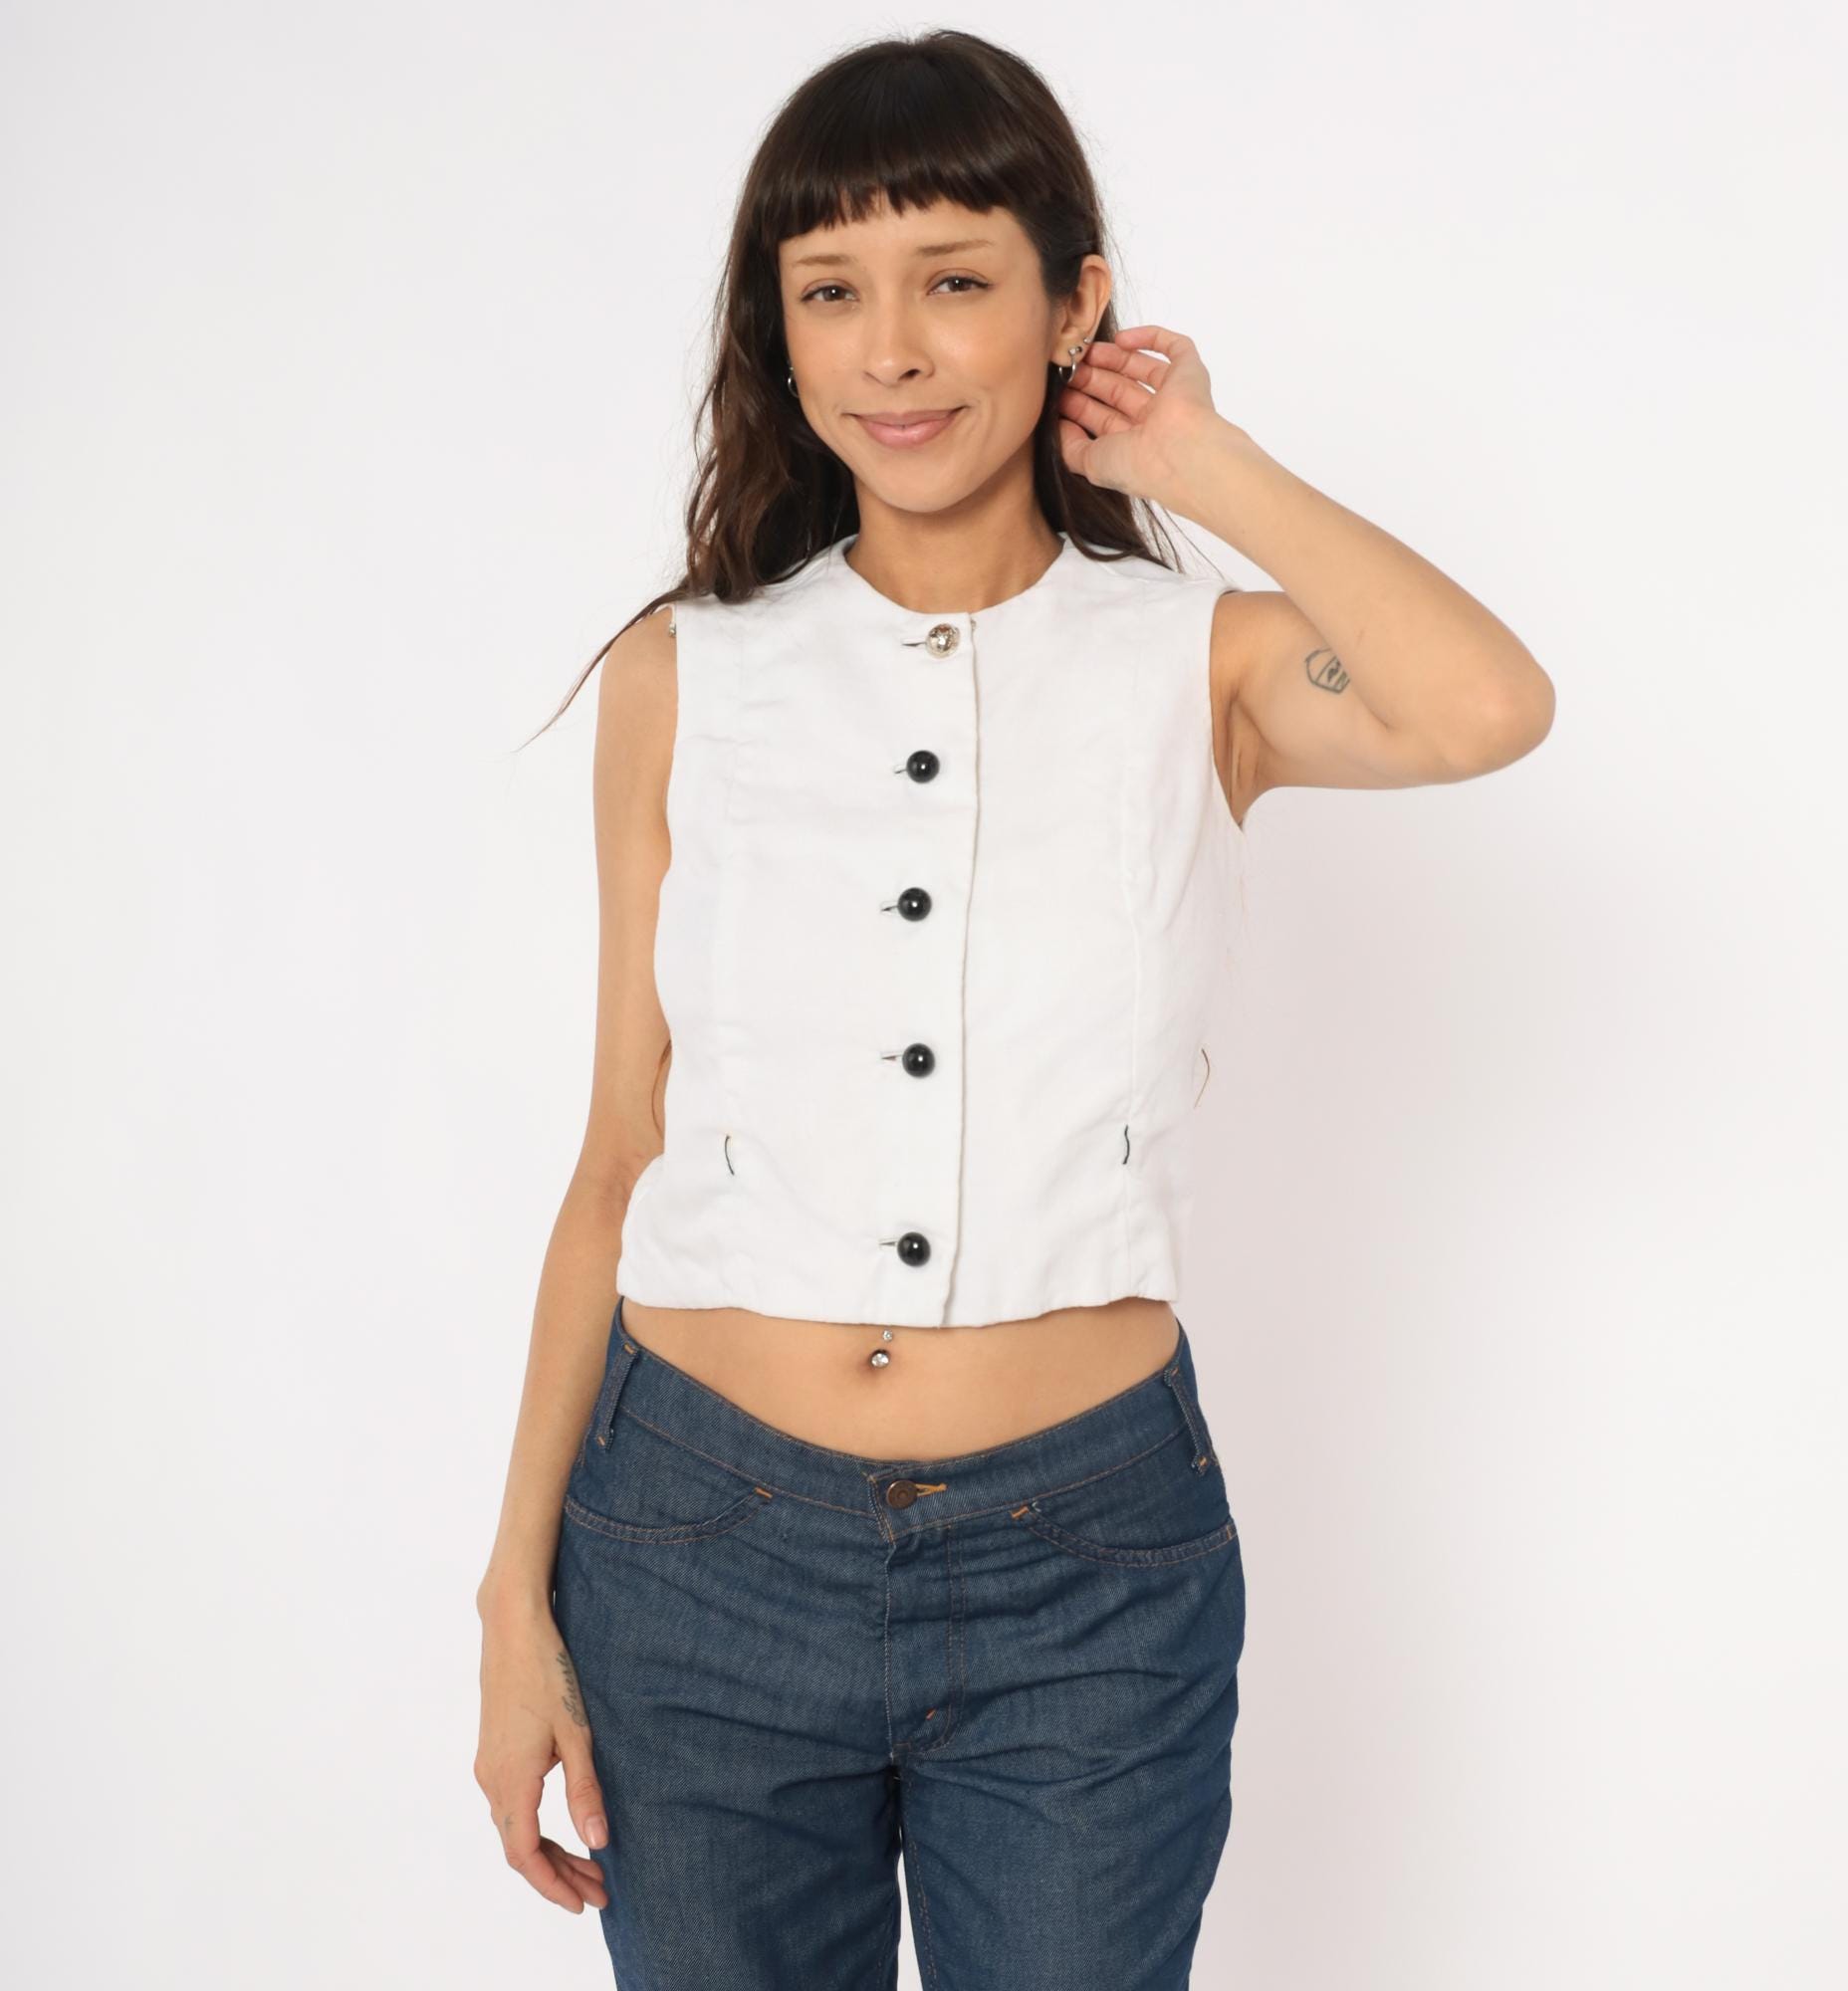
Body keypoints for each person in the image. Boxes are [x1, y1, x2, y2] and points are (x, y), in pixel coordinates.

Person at [474, 29, 1553, 1989]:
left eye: (955, 280)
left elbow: (1485, 706)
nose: (889, 351)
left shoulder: (1199, 666)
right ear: (778, 332)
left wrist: (1197, 461)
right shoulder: (687, 675)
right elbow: (620, 1147)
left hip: (1086, 1566)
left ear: (1074, 306)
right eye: (830, 292)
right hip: (692, 1545)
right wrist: (509, 1604)